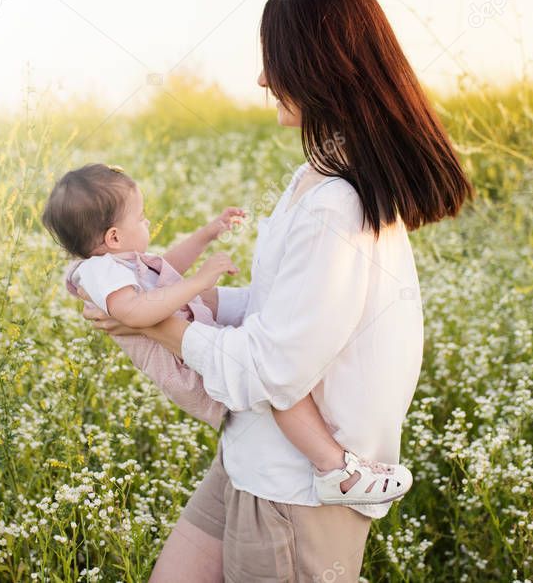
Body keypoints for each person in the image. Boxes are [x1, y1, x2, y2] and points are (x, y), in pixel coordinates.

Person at [81, 0, 475, 582]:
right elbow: (280, 310)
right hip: (254, 453)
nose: (263, 80)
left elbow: (274, 368)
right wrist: (178, 295)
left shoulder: (336, 206)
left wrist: (159, 326)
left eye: (275, 61)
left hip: (297, 490)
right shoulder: (315, 177)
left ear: (320, 68)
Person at [40, 162, 414, 506]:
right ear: (114, 237)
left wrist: (206, 234)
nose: (148, 222)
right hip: (183, 365)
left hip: (190, 341)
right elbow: (136, 312)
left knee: (275, 357)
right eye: (141, 217)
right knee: (276, 383)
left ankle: (338, 464)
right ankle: (336, 471)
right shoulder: (98, 273)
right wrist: (201, 280)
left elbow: (164, 270)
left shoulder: (115, 263)